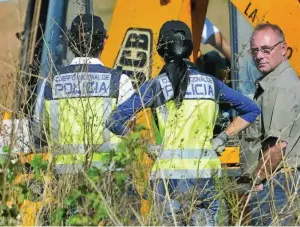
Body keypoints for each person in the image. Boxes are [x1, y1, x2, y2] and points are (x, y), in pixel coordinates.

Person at [106, 20, 260, 226]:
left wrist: (145, 145)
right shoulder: (211, 83)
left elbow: (114, 120)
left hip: (168, 181)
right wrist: (222, 138)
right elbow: (251, 109)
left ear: (161, 49)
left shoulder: (156, 86)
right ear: (189, 48)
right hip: (205, 177)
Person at [38, 13, 134, 173]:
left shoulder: (51, 83)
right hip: (109, 177)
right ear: (103, 42)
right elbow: (131, 131)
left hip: (65, 178)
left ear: (70, 43)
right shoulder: (120, 81)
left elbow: (40, 129)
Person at [240, 23, 300, 226]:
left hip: (278, 184)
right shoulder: (276, 82)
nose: (259, 56)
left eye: (266, 50)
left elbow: (277, 147)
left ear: (283, 49)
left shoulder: (279, 88)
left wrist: (257, 179)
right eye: (255, 51)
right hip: (284, 181)